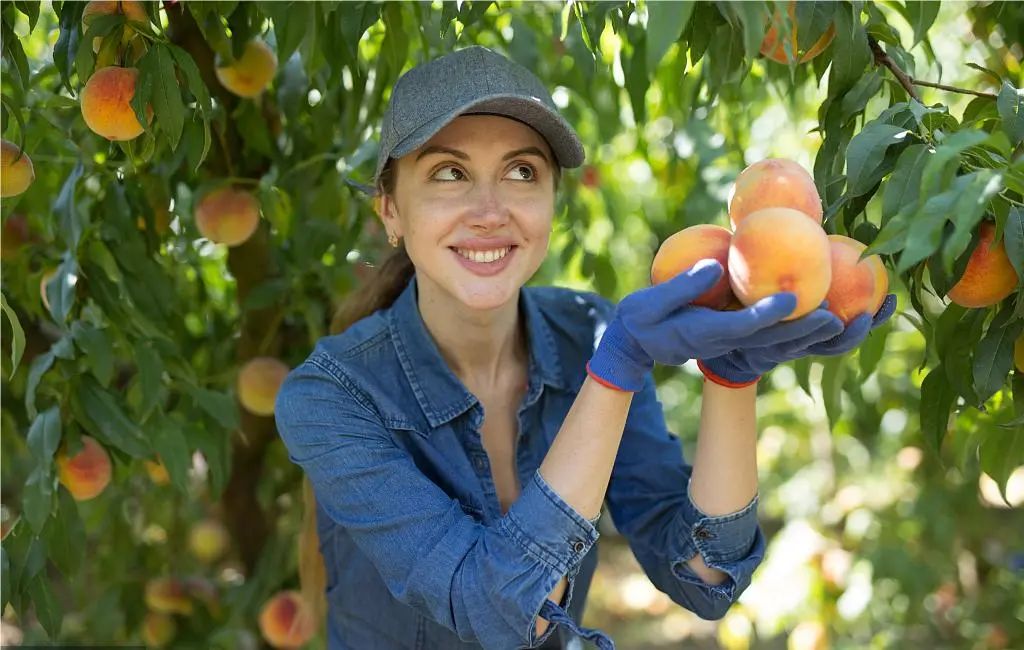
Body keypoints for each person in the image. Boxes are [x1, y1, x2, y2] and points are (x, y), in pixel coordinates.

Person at [274, 45, 896, 650]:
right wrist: (615, 369)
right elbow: (492, 611)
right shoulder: (331, 396)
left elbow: (704, 579)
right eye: (449, 173)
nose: (490, 211)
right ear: (391, 211)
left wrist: (730, 381)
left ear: (551, 201)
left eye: (522, 172)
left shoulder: (584, 335)